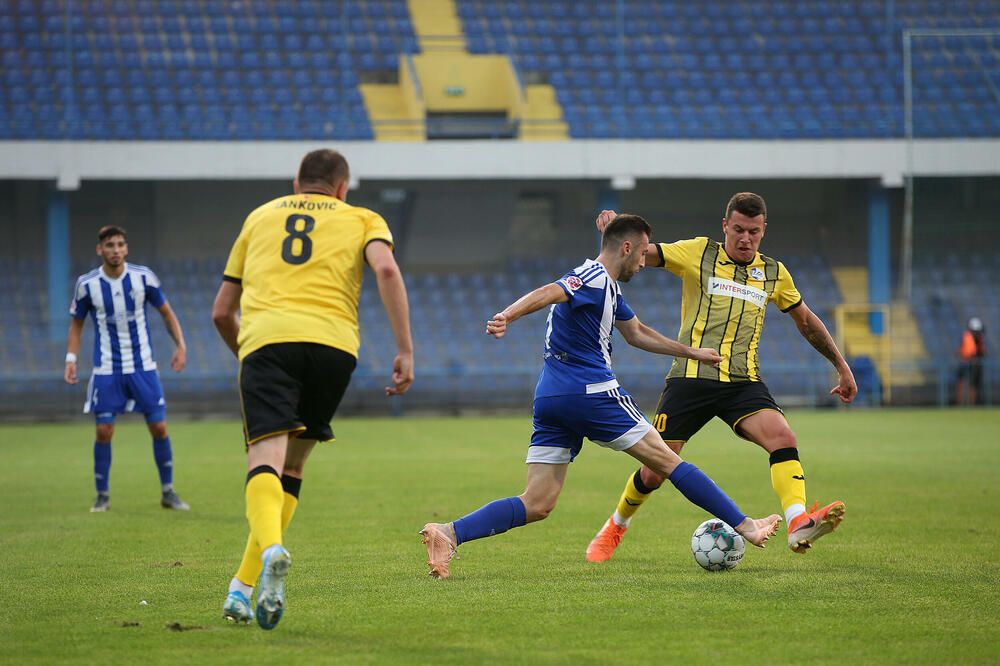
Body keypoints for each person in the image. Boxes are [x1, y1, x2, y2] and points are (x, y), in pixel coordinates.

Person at [420, 214, 781, 579]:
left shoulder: (608, 288)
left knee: (538, 502)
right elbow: (552, 290)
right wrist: (507, 316)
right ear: (626, 248)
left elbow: (637, 334)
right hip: (592, 392)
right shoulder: (591, 277)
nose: (643, 263)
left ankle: (449, 533)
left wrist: (693, 353)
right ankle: (746, 525)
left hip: (551, 396)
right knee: (669, 462)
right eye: (641, 254)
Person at [585, 193, 858, 563]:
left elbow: (806, 321)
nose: (746, 238)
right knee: (654, 471)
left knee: (783, 437)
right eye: (740, 230)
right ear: (725, 226)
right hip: (690, 379)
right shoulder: (698, 252)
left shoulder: (774, 273)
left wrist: (841, 365)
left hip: (742, 382)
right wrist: (618, 237)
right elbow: (641, 255)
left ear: (763, 231)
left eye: (754, 232)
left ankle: (798, 522)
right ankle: (616, 525)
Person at [212, 148, 414, 630]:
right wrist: (404, 350)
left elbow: (222, 311)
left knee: (265, 460)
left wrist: (249, 355)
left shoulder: (260, 217)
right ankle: (242, 588)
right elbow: (386, 270)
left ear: (297, 182)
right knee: (295, 465)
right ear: (342, 188)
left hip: (268, 343)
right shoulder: (362, 217)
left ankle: (273, 552)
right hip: (334, 347)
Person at [64, 225, 190, 513]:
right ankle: (102, 495)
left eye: (121, 244)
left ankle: (168, 492)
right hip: (107, 369)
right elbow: (77, 323)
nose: (116, 250)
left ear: (127, 248)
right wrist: (71, 358)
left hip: (143, 366)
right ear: (100, 250)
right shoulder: (87, 284)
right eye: (110, 245)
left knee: (159, 426)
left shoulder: (144, 278)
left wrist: (180, 346)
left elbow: (167, 314)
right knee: (104, 430)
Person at [956, 316, 986, 406]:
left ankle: (969, 404)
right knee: (964, 383)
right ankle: (961, 403)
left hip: (973, 363)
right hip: (967, 362)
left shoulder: (979, 338)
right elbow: (967, 351)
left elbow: (982, 352)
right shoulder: (968, 336)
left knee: (973, 384)